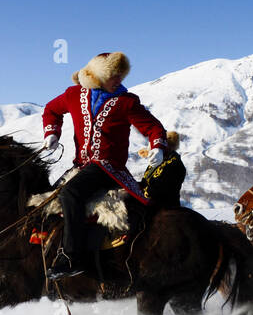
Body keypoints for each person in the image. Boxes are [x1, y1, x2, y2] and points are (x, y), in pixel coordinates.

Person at [42, 51, 167, 280]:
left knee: (70, 194)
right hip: (80, 166)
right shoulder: (73, 95)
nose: (119, 80)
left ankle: (72, 257)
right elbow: (51, 110)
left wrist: (157, 146)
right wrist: (51, 132)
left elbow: (154, 127)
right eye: (114, 76)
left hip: (109, 168)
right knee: (47, 199)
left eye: (121, 75)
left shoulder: (126, 102)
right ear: (99, 76)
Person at [139, 130, 186, 209]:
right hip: (150, 201)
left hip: (165, 207)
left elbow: (160, 188)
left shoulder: (175, 164)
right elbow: (145, 181)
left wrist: (143, 192)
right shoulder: (158, 160)